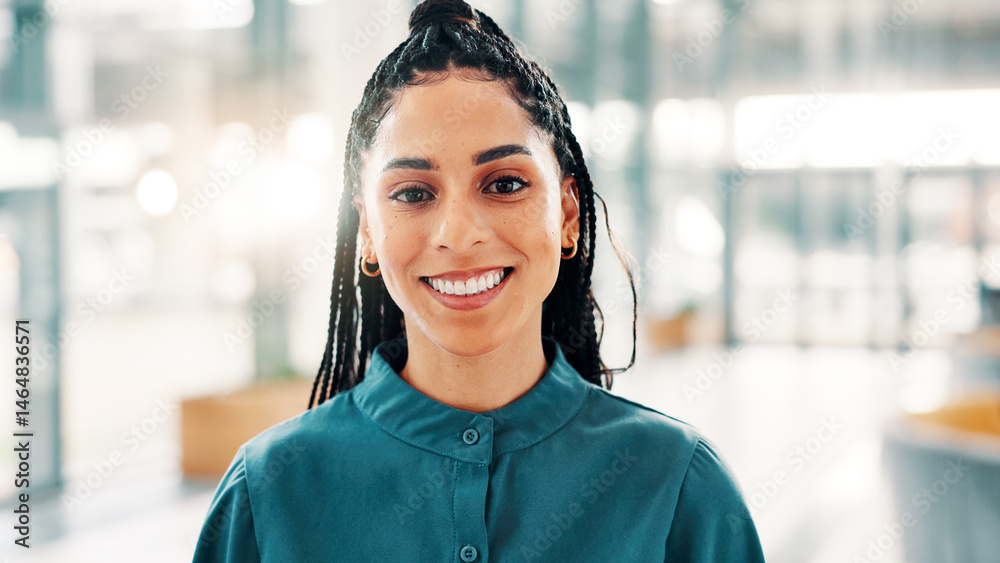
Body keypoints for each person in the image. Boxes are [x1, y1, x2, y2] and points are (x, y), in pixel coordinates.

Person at [192, 1, 766, 561]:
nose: (458, 235)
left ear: (567, 214)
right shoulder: (266, 493)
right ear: (366, 233)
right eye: (413, 193)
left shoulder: (679, 485)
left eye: (504, 184)